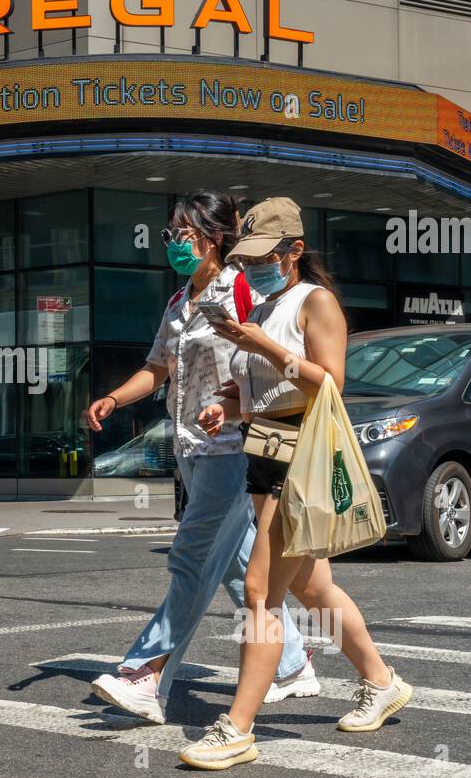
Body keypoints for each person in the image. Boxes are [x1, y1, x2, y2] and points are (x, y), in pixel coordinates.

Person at [178, 197, 412, 771]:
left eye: (264, 255)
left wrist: (265, 347)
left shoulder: (315, 302)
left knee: (261, 592)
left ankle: (236, 726)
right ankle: (381, 681)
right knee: (313, 589)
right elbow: (266, 390)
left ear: (295, 252)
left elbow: (328, 383)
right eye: (247, 255)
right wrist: (227, 409)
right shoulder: (263, 303)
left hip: (299, 459)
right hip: (263, 453)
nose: (254, 265)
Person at [84, 190, 319, 726]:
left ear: (215, 238)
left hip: (235, 448)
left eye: (184, 234)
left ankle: (146, 672)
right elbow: (158, 368)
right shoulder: (177, 303)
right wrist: (115, 398)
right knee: (237, 565)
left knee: (191, 557)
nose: (173, 244)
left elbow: (263, 350)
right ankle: (291, 664)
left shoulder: (239, 288)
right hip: (191, 448)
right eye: (169, 235)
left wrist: (229, 402)